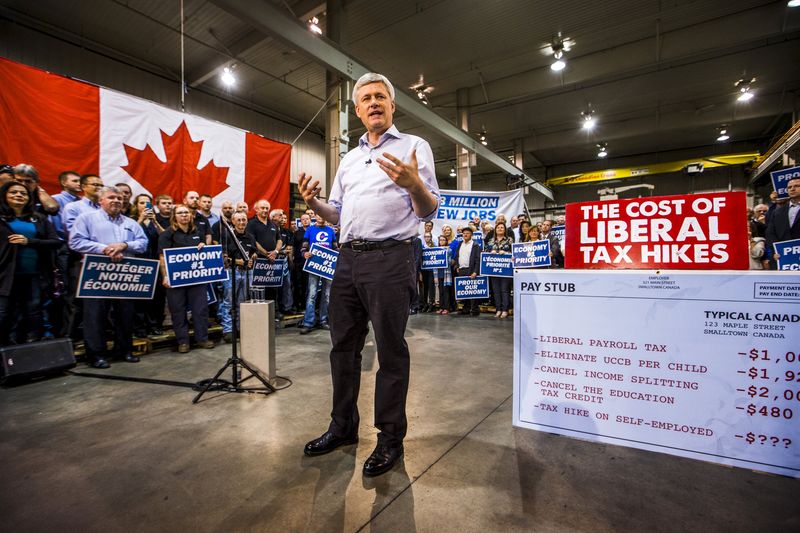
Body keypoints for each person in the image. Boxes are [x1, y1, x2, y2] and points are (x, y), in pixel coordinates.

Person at [297, 72, 440, 477]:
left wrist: (414, 185)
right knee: (342, 347)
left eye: (380, 96)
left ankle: (390, 438)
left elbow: (428, 209)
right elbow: (338, 215)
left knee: (391, 351)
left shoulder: (414, 146)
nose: (374, 102)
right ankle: (342, 426)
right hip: (348, 259)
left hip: (392, 258)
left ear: (392, 105)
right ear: (357, 110)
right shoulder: (348, 158)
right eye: (366, 99)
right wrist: (313, 203)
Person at [69, 186, 148, 368]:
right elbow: (76, 241)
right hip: (97, 273)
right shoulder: (87, 219)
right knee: (95, 315)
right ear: (100, 201)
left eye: (120, 198)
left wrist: (124, 244)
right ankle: (96, 355)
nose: (117, 201)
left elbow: (143, 243)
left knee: (125, 314)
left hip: (125, 275)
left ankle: (124, 350)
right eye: (111, 197)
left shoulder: (130, 222)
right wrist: (104, 249)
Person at [0, 182, 61, 345]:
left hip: (34, 274)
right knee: (4, 312)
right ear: (5, 196)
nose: (19, 195)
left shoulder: (39, 218)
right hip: (5, 275)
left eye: (23, 193)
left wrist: (30, 241)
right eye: (14, 192)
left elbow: (55, 241)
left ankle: (30, 347)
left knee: (33, 311)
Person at [158, 204, 215, 354]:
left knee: (200, 310)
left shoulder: (197, 232)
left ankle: (202, 338)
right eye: (180, 213)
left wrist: (204, 246)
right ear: (174, 216)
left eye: (186, 213)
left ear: (190, 215)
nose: (184, 215)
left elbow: (204, 254)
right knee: (178, 311)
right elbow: (162, 257)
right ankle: (183, 341)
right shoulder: (167, 234)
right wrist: (165, 276)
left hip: (196, 279)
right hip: (176, 280)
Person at [219, 211, 257, 343]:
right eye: (239, 220)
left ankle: (240, 328)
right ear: (233, 222)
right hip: (231, 271)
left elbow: (252, 253)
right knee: (229, 301)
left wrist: (253, 257)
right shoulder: (227, 236)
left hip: (246, 272)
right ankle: (228, 330)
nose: (242, 223)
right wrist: (237, 261)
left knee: (243, 302)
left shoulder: (250, 237)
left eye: (244, 220)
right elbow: (222, 258)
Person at [130, 193, 164, 338]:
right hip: (139, 262)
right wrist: (140, 219)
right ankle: (139, 327)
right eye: (142, 203)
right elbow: (128, 237)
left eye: (148, 203)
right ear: (136, 205)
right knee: (140, 298)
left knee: (157, 297)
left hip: (155, 262)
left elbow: (164, 236)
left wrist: (155, 222)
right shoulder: (131, 221)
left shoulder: (155, 220)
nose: (145, 206)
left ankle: (154, 325)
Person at [299, 213, 336, 334]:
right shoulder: (310, 230)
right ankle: (308, 322)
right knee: (312, 294)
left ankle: (323, 320)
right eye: (319, 215)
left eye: (323, 215)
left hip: (327, 266)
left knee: (327, 295)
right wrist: (304, 253)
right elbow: (304, 247)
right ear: (315, 216)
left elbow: (335, 248)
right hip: (314, 265)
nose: (321, 217)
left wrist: (337, 254)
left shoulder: (331, 231)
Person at [764, 177, 800, 269]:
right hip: (781, 258)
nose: (792, 189)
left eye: (797, 186)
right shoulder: (778, 211)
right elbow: (770, 233)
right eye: (789, 187)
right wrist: (776, 250)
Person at [451, 226, 481, 316]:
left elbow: (478, 259)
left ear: (471, 234)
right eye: (464, 233)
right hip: (462, 269)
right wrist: (457, 266)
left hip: (471, 269)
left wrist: (476, 271)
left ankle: (475, 309)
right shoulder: (460, 244)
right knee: (465, 290)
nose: (465, 235)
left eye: (467, 233)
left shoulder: (475, 245)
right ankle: (466, 308)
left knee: (472, 290)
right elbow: (457, 256)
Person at [485, 221, 512, 318]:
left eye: (502, 227)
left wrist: (506, 253)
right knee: (496, 290)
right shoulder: (491, 241)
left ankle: (505, 309)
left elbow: (514, 253)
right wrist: (490, 251)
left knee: (505, 290)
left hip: (505, 269)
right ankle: (498, 309)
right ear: (495, 230)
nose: (500, 229)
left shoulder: (509, 240)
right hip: (493, 268)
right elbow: (485, 252)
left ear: (505, 230)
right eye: (498, 227)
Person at [435, 234, 454, 314]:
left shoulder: (449, 250)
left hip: (446, 273)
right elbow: (434, 264)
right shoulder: (436, 250)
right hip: (438, 273)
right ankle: (441, 307)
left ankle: (447, 308)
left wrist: (444, 257)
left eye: (443, 240)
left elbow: (450, 262)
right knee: (441, 291)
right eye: (440, 240)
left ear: (446, 241)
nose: (442, 241)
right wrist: (435, 276)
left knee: (446, 291)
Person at [419, 232, 436, 312]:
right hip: (424, 270)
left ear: (431, 237)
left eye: (428, 236)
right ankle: (424, 304)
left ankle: (431, 304)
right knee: (424, 288)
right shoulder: (421, 247)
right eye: (425, 237)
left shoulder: (434, 247)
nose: (427, 238)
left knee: (431, 288)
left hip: (432, 271)